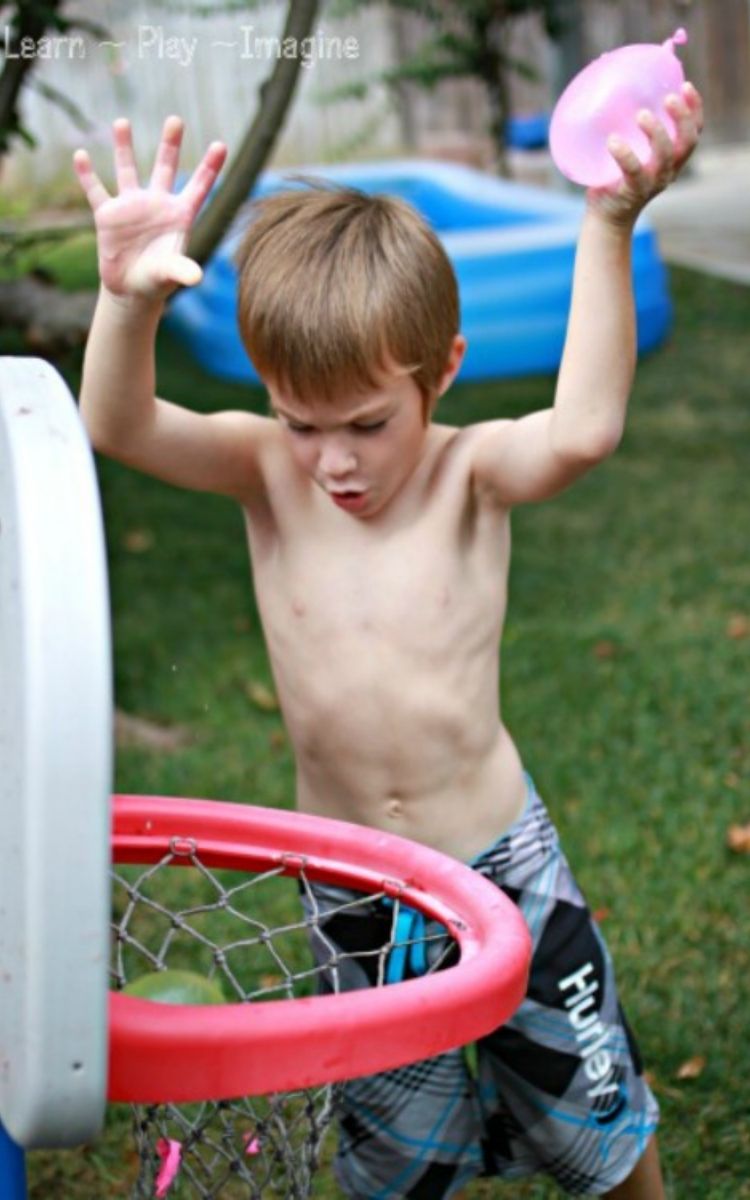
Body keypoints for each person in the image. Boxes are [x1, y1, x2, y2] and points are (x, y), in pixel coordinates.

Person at [74, 84, 702, 1199]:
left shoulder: (472, 475)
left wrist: (608, 224)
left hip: (504, 866)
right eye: (303, 421)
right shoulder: (266, 473)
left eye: (368, 422)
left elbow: (587, 428)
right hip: (355, 887)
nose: (337, 462)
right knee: (394, 1158)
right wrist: (126, 303)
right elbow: (117, 425)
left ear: (443, 369)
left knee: (592, 1117)